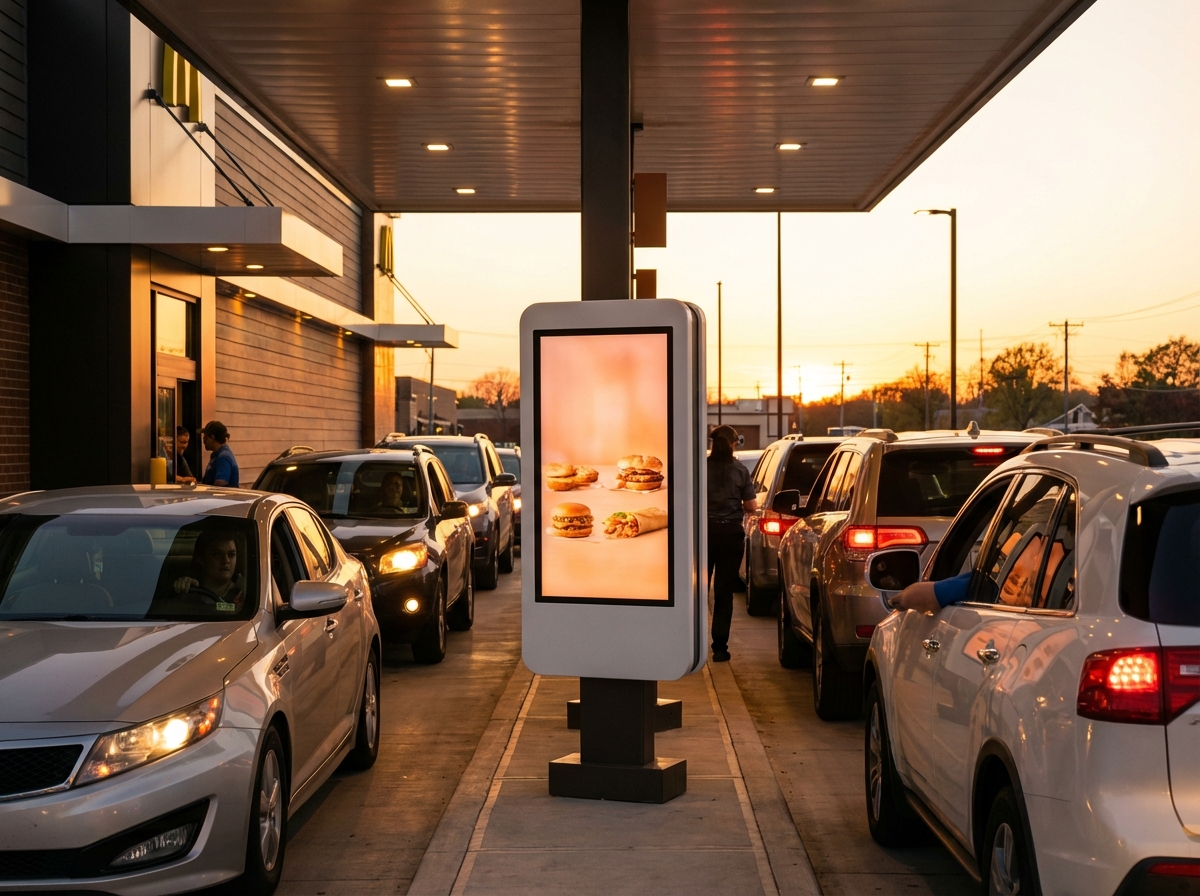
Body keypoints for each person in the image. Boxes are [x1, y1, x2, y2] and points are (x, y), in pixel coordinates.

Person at [707, 432, 756, 662]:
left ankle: (692, 641)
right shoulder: (740, 470)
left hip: (704, 534)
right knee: (723, 593)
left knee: (696, 591)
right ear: (734, 443)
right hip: (730, 534)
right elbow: (751, 505)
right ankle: (719, 647)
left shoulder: (702, 468)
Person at [173, 530, 246, 610]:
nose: (226, 561)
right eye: (217, 554)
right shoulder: (189, 590)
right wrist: (182, 590)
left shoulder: (247, 594)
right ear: (200, 559)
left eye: (231, 555)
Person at [201, 421, 239, 487]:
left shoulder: (223, 457)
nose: (203, 440)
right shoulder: (218, 454)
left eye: (205, 437)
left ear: (212, 437)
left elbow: (220, 483)